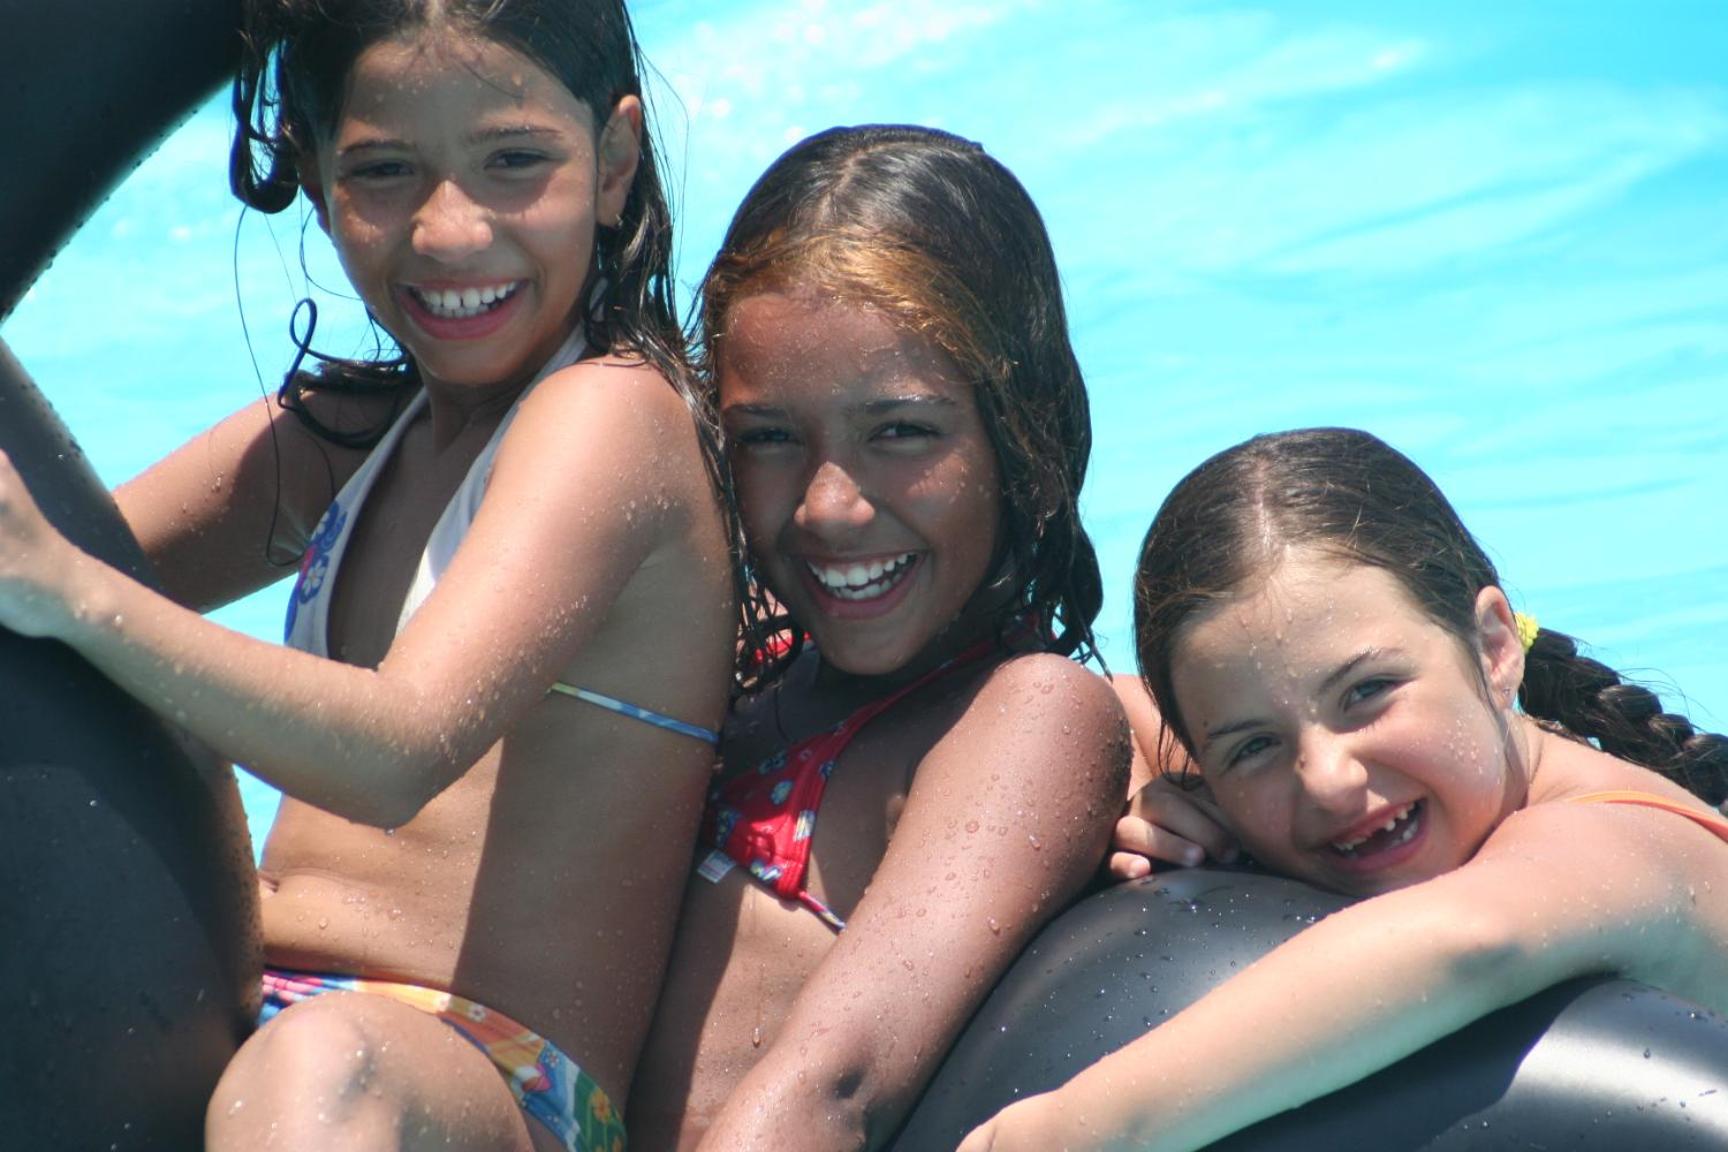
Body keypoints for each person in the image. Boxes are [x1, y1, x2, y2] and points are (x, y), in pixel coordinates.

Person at [0, 0, 734, 1147]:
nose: (450, 232)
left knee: (323, 1065)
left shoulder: (612, 419)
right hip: (253, 1021)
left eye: (514, 161)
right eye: (385, 171)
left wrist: (76, 595)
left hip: (487, 1078)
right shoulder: (347, 437)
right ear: (312, 174)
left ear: (614, 163)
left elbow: (400, 752)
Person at [960, 427, 1728, 1152]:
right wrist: (1136, 808)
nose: (1328, 781)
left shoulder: (1618, 836)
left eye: (1367, 693)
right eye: (1254, 747)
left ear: (1494, 648)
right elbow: (1092, 708)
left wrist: (1063, 1131)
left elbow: (1467, 941)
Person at [624, 124, 1130, 1151]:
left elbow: (834, 1089)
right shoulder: (737, 667)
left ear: (1019, 432)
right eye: (769, 438)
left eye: (901, 431)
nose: (829, 508)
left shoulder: (1028, 715)